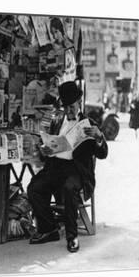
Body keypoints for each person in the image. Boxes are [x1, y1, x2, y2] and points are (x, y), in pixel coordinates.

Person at [27, 81, 108, 252]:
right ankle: (49, 229)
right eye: (66, 107)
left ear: (79, 102)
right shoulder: (57, 121)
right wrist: (46, 149)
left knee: (70, 188)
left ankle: (72, 237)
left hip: (76, 170)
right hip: (55, 166)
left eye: (72, 106)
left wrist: (99, 138)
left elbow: (103, 154)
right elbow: (49, 147)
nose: (69, 110)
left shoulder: (89, 124)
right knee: (34, 188)